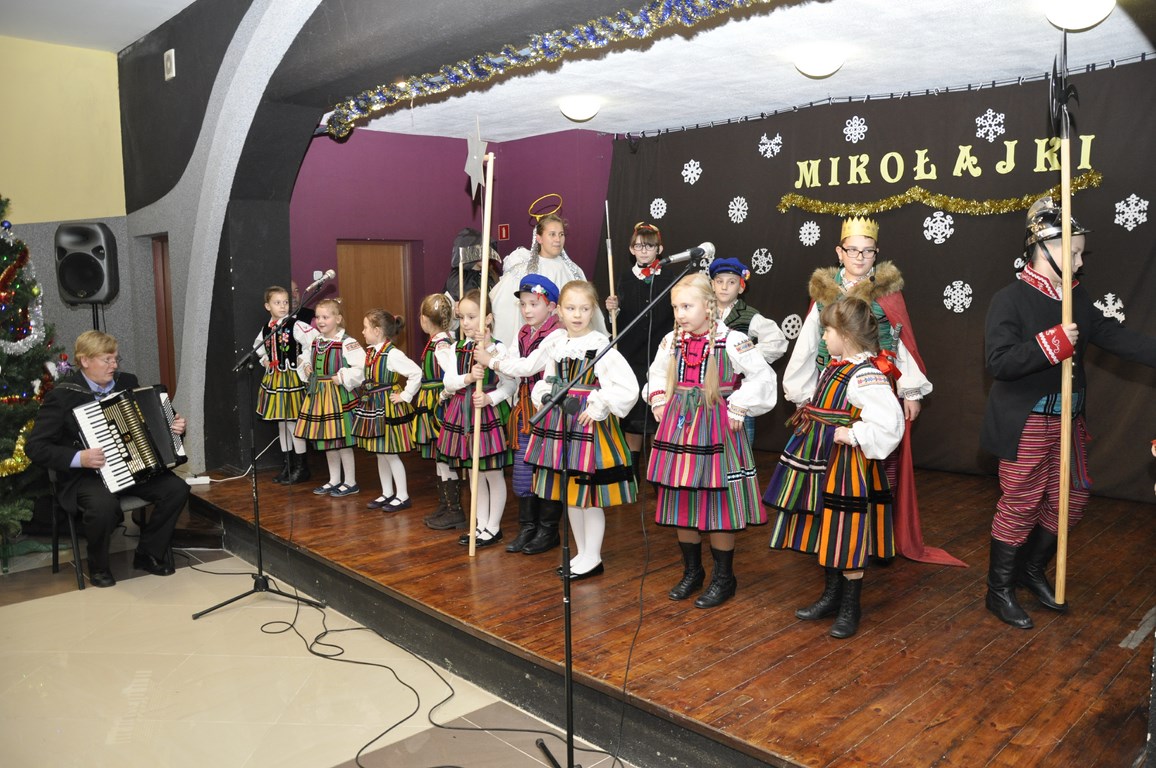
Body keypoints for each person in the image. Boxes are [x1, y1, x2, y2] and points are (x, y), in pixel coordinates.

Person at [982, 196, 1156, 630]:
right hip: (1028, 421)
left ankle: (1031, 571)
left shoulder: (1076, 296)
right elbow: (999, 362)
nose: (1079, 263)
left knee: (1071, 499)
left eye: (1080, 253)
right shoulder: (1009, 299)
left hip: (1070, 420)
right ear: (1044, 248)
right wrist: (1051, 344)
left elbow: (1115, 337)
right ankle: (998, 591)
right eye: (1074, 253)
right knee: (1021, 504)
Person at [781, 216, 961, 567]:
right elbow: (807, 343)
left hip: (874, 386)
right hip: (833, 390)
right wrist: (802, 393)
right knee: (832, 465)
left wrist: (911, 391)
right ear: (839, 252)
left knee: (878, 464)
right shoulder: (825, 292)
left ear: (876, 253)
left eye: (868, 251)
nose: (860, 257)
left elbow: (902, 342)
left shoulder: (887, 292)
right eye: (853, 250)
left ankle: (876, 537)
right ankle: (831, 535)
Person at [764, 298, 905, 638]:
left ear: (845, 334)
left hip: (846, 464)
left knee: (847, 529)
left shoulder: (866, 375)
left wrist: (854, 434)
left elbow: (891, 424)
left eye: (827, 331)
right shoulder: (835, 366)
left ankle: (850, 606)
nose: (824, 337)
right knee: (826, 525)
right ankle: (831, 596)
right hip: (823, 458)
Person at [647, 273, 777, 608]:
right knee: (681, 498)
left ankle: (724, 578)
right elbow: (657, 372)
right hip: (680, 425)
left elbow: (763, 375)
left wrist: (740, 405)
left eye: (686, 306)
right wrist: (658, 397)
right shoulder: (671, 340)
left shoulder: (732, 340)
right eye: (676, 307)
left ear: (708, 305)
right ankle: (692, 572)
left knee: (718, 504)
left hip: (717, 427)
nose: (680, 313)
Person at [27, 331, 190, 588]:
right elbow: (35, 447)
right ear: (84, 361)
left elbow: (153, 423)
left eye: (116, 359)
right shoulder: (62, 396)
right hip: (86, 476)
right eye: (107, 360)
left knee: (176, 488)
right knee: (103, 506)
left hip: (133, 466)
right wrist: (79, 457)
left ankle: (148, 552)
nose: (114, 365)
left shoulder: (127, 382)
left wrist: (175, 427)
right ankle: (98, 566)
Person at [507, 280, 639, 579]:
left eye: (584, 308)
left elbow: (627, 387)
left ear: (593, 310)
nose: (577, 315)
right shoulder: (556, 343)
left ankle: (593, 556)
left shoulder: (601, 346)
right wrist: (544, 393)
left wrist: (599, 404)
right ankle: (581, 554)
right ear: (560, 312)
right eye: (571, 308)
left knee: (588, 497)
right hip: (561, 422)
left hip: (587, 426)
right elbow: (548, 378)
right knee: (571, 495)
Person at [473, 274, 563, 554]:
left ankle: (548, 531)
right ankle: (527, 527)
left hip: (548, 410)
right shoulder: (523, 332)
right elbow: (511, 361)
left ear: (551, 306)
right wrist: (490, 348)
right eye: (523, 304)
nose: (527, 310)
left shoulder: (557, 335)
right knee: (524, 469)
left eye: (534, 304)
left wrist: (491, 361)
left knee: (546, 469)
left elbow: (526, 366)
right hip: (524, 410)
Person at [434, 289, 516, 543]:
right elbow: (449, 383)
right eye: (462, 317)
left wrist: (491, 398)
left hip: (487, 413)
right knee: (473, 473)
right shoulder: (457, 348)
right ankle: (479, 524)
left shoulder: (498, 349)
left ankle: (493, 526)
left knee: (492, 472)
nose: (466, 323)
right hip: (462, 413)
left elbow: (511, 384)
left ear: (488, 318)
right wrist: (469, 377)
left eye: (472, 317)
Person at [604, 222, 677, 476]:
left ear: (659, 249)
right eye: (639, 246)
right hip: (631, 357)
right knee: (633, 418)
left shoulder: (670, 278)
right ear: (631, 249)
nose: (644, 250)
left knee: (658, 414)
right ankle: (632, 472)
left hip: (661, 356)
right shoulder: (624, 278)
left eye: (649, 246)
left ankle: (657, 473)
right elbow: (614, 325)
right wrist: (612, 310)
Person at [489, 213, 606, 348]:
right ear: (539, 238)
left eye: (561, 234)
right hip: (536, 343)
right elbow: (500, 300)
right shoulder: (523, 271)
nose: (558, 239)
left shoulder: (574, 270)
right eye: (552, 234)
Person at [708, 256, 789, 447]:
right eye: (719, 281)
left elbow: (777, 341)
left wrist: (747, 356)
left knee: (739, 447)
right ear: (712, 285)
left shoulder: (749, 315)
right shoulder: (702, 313)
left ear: (741, 287)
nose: (724, 287)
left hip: (737, 394)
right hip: (707, 392)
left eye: (731, 282)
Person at [294, 298, 366, 497]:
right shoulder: (317, 341)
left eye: (325, 317)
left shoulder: (347, 342)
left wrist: (341, 377)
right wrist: (306, 366)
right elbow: (305, 357)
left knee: (342, 441)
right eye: (318, 317)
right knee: (327, 440)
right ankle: (334, 479)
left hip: (338, 396)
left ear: (338, 319)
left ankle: (350, 482)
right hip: (320, 395)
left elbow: (361, 368)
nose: (320, 321)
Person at [352, 309, 422, 511]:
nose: (363, 332)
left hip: (388, 408)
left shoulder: (393, 354)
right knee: (380, 452)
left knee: (390, 453)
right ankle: (387, 492)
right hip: (374, 406)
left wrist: (405, 396)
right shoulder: (372, 352)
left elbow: (416, 373)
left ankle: (403, 495)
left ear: (377, 330)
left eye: (365, 328)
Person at [254, 286, 312, 485]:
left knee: (293, 423)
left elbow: (313, 342)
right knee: (282, 423)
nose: (282, 306)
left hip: (291, 379)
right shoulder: (266, 329)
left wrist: (304, 360)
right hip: (275, 379)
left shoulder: (295, 325)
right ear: (267, 306)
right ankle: (288, 465)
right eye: (277, 303)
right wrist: (265, 360)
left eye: (285, 302)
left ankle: (301, 467)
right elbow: (259, 349)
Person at [415, 295, 463, 530]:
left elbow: (452, 373)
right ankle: (445, 504)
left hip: (440, 403)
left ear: (424, 319)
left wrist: (444, 395)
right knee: (440, 456)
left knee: (445, 456)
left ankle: (455, 509)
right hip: (434, 401)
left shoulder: (441, 345)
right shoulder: (439, 340)